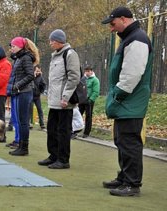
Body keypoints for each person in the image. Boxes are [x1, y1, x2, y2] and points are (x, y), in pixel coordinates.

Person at [101, 6, 153, 197]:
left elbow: (132, 74)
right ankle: (124, 177)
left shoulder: (137, 39)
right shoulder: (130, 38)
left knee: (129, 142)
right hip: (128, 101)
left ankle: (132, 184)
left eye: (113, 24)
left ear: (124, 19)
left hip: (131, 100)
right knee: (122, 140)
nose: (112, 29)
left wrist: (118, 96)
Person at [38, 29, 80, 168]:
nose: (50, 43)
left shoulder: (69, 54)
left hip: (64, 102)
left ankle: (63, 159)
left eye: (52, 41)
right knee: (52, 129)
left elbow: (74, 77)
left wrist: (66, 97)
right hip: (54, 102)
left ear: (58, 41)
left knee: (63, 131)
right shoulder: (55, 56)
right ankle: (53, 155)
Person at [7, 37, 40, 156]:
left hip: (24, 92)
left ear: (20, 46)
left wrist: (18, 85)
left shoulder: (25, 58)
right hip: (19, 91)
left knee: (24, 121)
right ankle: (21, 145)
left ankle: (24, 147)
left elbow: (30, 75)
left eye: (14, 46)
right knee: (20, 121)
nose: (12, 48)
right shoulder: (19, 58)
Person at [78, 66, 100, 138]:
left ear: (91, 71)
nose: (87, 72)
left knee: (88, 116)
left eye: (88, 71)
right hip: (81, 100)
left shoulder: (95, 80)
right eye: (86, 71)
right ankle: (76, 130)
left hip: (89, 101)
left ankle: (86, 132)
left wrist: (90, 100)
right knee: (78, 115)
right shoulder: (83, 79)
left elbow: (96, 91)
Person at [29, 64, 46, 130]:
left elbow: (44, 85)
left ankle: (42, 124)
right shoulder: (31, 77)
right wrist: (34, 76)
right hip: (31, 95)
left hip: (37, 96)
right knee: (30, 110)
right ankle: (29, 123)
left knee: (40, 110)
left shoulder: (41, 77)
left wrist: (40, 91)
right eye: (37, 71)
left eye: (39, 71)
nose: (38, 72)